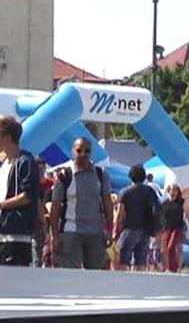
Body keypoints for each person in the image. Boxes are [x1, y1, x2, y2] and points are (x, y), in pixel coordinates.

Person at [49, 138, 113, 270]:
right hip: (70, 232)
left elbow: (107, 203)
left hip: (95, 233)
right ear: (73, 152)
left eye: (87, 151)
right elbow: (55, 207)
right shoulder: (64, 176)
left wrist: (110, 230)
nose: (83, 154)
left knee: (94, 274)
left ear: (91, 153)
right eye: (79, 150)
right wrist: (54, 235)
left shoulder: (101, 174)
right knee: (71, 274)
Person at [0, 116, 39, 266]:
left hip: (17, 235)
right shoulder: (4, 164)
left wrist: (2, 205)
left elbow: (28, 195)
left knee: (14, 276)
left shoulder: (25, 161)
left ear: (7, 138)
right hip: (3, 232)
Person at [113, 164, 160, 271]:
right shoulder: (150, 191)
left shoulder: (125, 192)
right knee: (141, 261)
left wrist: (115, 231)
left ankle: (123, 280)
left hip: (129, 228)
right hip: (145, 230)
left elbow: (120, 214)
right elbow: (157, 208)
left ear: (130, 176)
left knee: (123, 260)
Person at [159, 183, 189, 272]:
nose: (173, 192)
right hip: (166, 228)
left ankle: (177, 267)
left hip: (177, 228)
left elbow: (188, 216)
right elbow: (161, 218)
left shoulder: (181, 202)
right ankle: (167, 267)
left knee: (175, 247)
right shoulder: (164, 204)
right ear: (168, 191)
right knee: (164, 249)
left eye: (175, 190)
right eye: (171, 190)